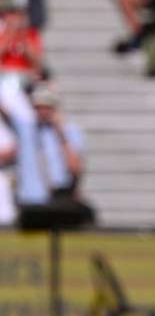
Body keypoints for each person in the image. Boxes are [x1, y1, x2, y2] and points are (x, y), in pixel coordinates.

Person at [15, 84, 94, 229]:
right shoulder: (26, 129)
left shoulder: (70, 131)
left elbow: (75, 168)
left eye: (47, 107)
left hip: (58, 200)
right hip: (31, 200)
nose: (43, 111)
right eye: (39, 107)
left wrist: (61, 135)